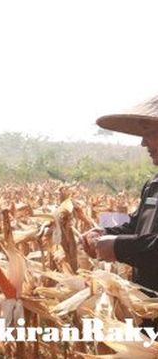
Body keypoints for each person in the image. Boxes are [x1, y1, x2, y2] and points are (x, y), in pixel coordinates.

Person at [81, 94, 158, 300]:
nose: (143, 143)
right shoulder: (153, 185)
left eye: (149, 133)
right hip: (146, 302)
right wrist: (104, 230)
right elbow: (135, 224)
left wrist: (118, 246)